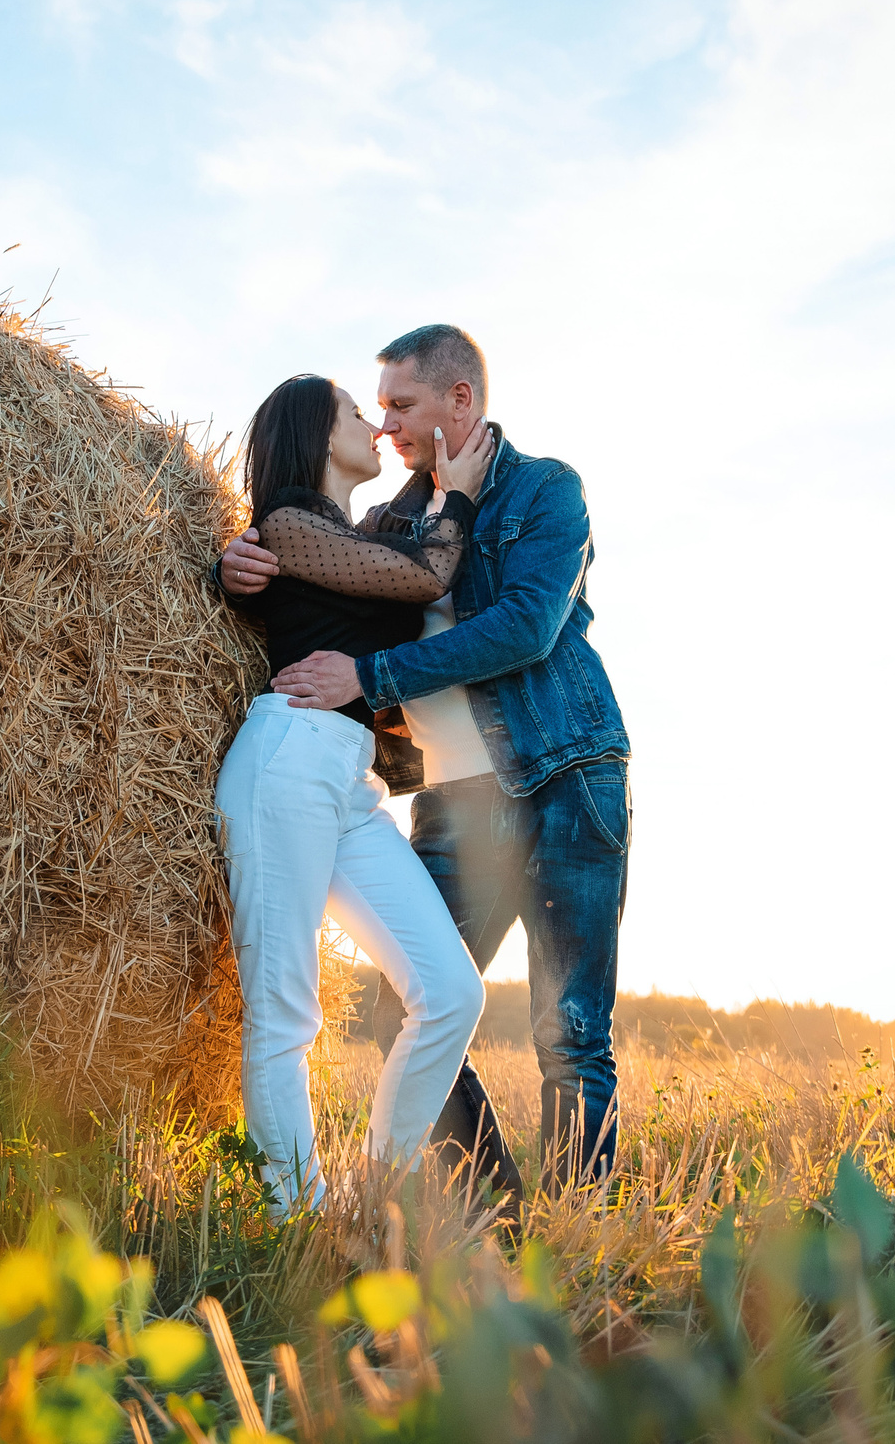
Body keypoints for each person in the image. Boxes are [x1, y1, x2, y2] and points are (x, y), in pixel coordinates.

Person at [217, 325, 632, 1194]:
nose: (384, 423)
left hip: (560, 771)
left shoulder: (545, 489)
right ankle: (473, 1208)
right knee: (395, 1004)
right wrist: (233, 563)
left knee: (566, 1027)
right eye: (373, 408)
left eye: (400, 405)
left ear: (460, 401)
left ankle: (573, 1227)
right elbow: (318, 576)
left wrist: (370, 673)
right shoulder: (394, 516)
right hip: (438, 794)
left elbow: (524, 625)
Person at [213, 371, 496, 1214]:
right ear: (311, 432)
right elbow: (426, 573)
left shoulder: (360, 532)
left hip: (351, 782)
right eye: (353, 412)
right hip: (288, 761)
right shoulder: (289, 527)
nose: (375, 426)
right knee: (283, 1012)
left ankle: (377, 1200)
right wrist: (461, 495)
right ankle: (290, 1219)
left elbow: (402, 570)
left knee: (451, 991)